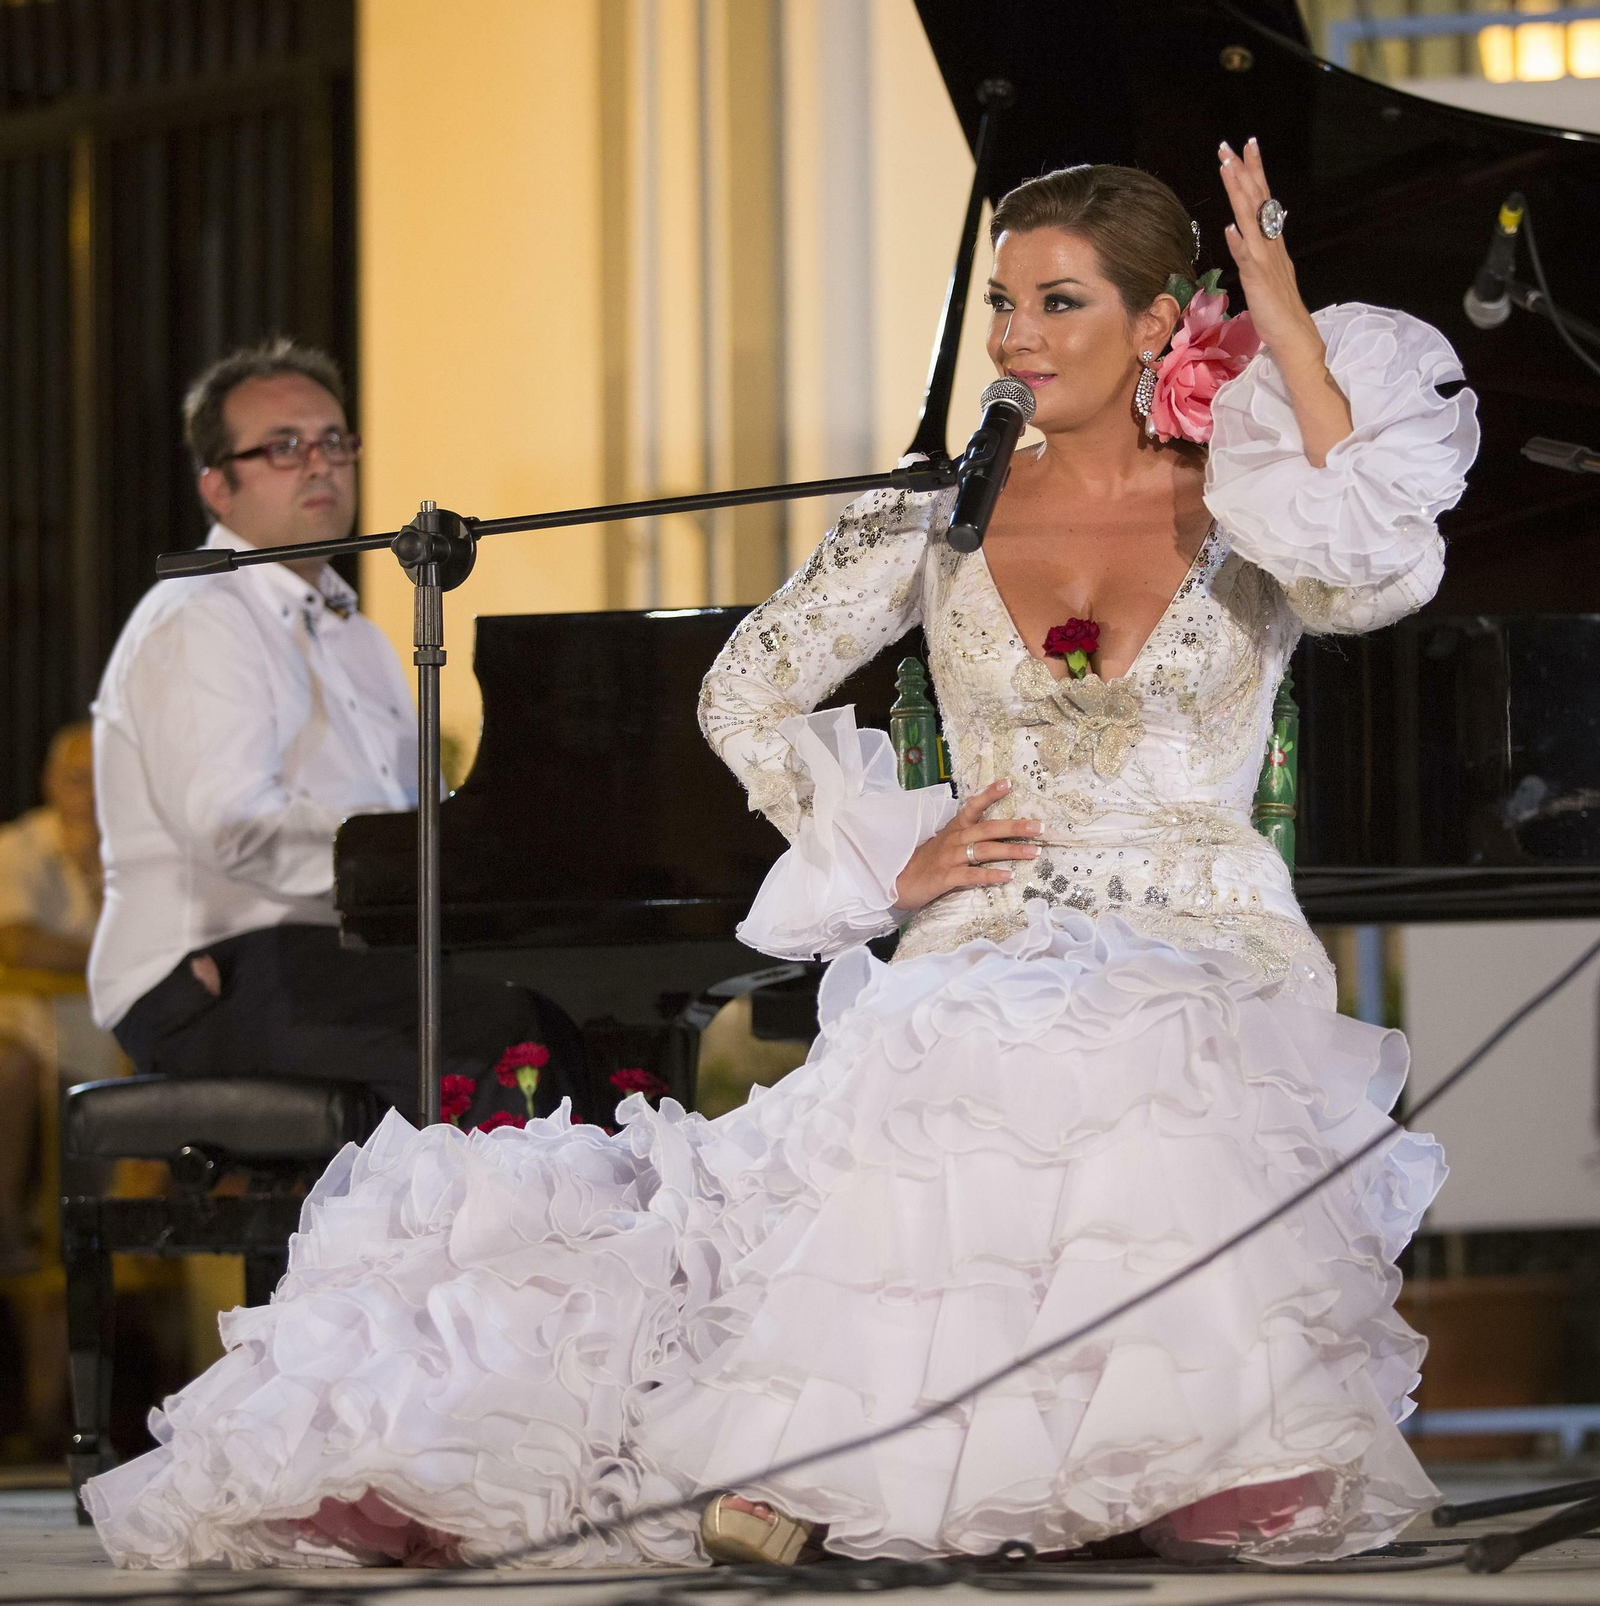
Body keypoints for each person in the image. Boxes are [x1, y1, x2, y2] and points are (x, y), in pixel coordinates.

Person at [84, 145, 1476, 1569]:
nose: (1014, 337)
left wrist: (1286, 322)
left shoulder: (1255, 502)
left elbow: (1378, 576)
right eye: (1004, 303)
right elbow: (743, 690)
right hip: (991, 927)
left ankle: (1121, 1454)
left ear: (1158, 320)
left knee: (1136, 1056)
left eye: (1058, 302)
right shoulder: (944, 512)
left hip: (1200, 936)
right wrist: (891, 850)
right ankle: (844, 1456)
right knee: (968, 1053)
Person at [87, 339, 587, 1131]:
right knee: (496, 1026)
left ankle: (585, 1245)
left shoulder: (356, 633)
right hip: (210, 973)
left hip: (340, 950)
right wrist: (392, 867)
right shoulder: (202, 618)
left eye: (333, 441)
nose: (319, 464)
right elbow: (235, 829)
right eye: (283, 447)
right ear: (218, 485)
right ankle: (491, 1253)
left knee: (570, 1013)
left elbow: (406, 807)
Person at [0, 724, 102, 1273]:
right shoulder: (18, 847)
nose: (90, 794)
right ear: (49, 784)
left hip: (113, 1052)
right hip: (40, 1043)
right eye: (77, 779)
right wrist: (114, 959)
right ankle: (8, 1229)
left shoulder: (141, 855)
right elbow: (18, 944)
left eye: (102, 779)